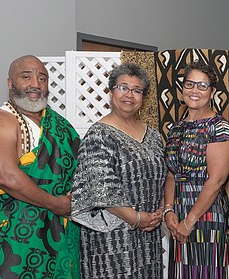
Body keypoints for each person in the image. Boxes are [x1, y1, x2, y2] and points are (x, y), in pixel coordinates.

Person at [0, 55, 80, 278]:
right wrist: (56, 204)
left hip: (61, 234)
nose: (35, 84)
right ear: (10, 83)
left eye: (42, 78)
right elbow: (7, 177)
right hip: (12, 240)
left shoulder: (59, 125)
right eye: (26, 77)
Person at [70, 63, 166, 278]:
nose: (129, 95)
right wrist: (136, 218)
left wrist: (157, 212)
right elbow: (101, 188)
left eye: (137, 90)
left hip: (148, 231)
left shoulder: (153, 135)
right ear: (110, 92)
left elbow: (163, 175)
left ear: (143, 97)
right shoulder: (99, 134)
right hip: (111, 237)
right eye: (123, 87)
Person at [163, 61, 229, 278]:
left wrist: (189, 221)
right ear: (182, 88)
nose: (195, 91)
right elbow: (171, 173)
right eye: (189, 84)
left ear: (212, 92)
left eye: (202, 86)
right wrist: (168, 211)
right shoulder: (176, 128)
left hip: (207, 215)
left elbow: (216, 181)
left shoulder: (218, 127)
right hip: (179, 215)